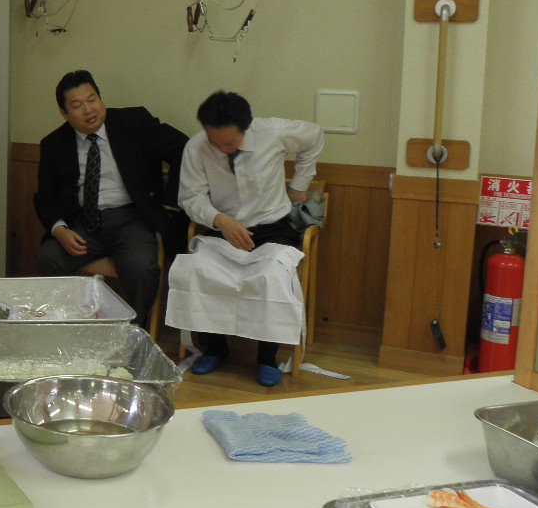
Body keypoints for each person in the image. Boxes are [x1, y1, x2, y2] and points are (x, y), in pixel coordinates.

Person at [166, 90, 324, 387]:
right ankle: (215, 349)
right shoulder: (196, 148)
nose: (221, 149)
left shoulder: (272, 132)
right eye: (214, 141)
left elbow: (314, 136)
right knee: (199, 270)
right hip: (222, 227)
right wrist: (220, 220)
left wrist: (300, 184)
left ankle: (266, 357)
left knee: (272, 276)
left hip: (273, 228)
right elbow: (190, 197)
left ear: (246, 128)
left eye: (229, 143)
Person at [33, 70, 188, 330]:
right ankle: (68, 327)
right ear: (64, 113)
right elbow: (45, 197)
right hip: (82, 224)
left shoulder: (134, 122)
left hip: (132, 219)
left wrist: (171, 202)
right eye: (77, 105)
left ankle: (135, 330)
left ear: (100, 98)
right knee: (48, 257)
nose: (88, 110)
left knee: (141, 267)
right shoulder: (54, 143)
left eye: (92, 99)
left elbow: (184, 148)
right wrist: (59, 230)